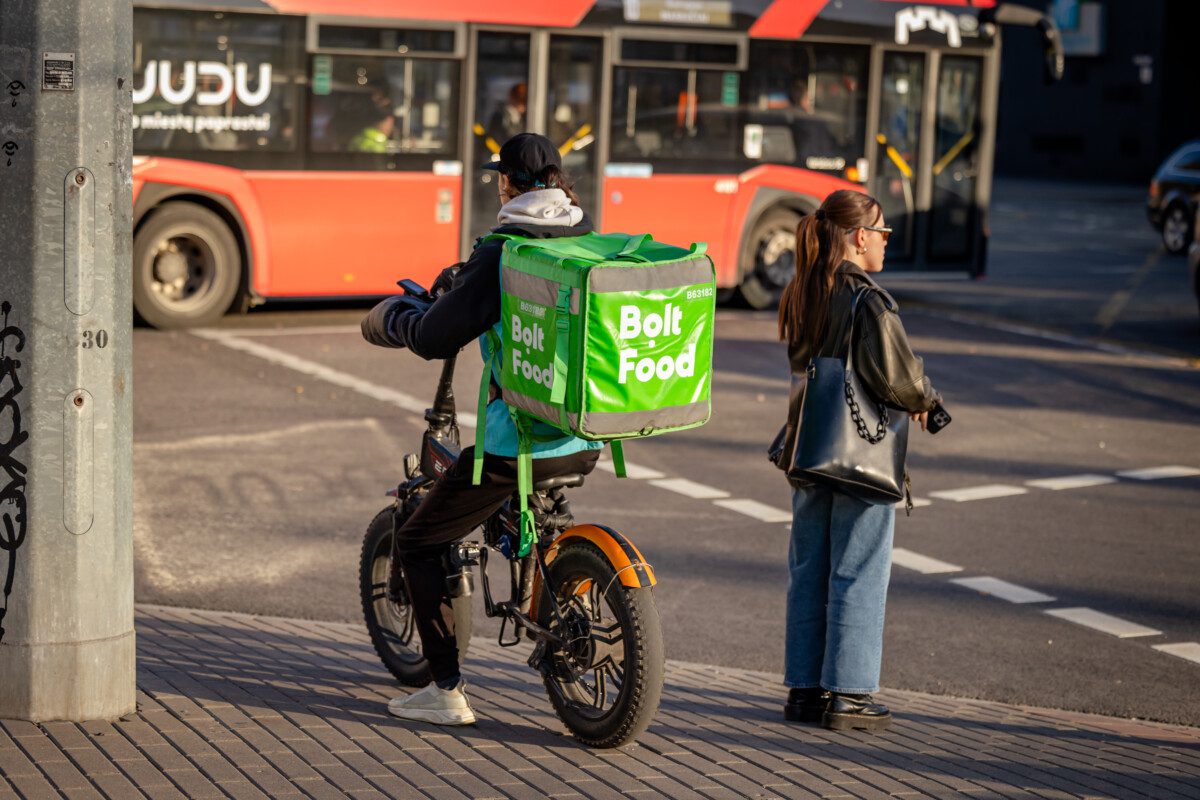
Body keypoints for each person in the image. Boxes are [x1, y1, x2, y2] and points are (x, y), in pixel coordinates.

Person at [360, 133, 601, 726]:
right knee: (523, 508)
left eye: (500, 178)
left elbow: (436, 336)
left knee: (418, 540)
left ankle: (445, 691)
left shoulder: (503, 252)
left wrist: (400, 320)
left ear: (508, 184)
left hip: (515, 446)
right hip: (583, 436)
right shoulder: (581, 235)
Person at [774, 189, 940, 732]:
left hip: (808, 446)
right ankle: (849, 694)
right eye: (883, 232)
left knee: (809, 567)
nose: (887, 242)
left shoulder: (804, 289)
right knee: (859, 567)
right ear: (859, 236)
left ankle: (804, 690)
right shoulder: (869, 301)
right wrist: (927, 401)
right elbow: (900, 379)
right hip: (859, 452)